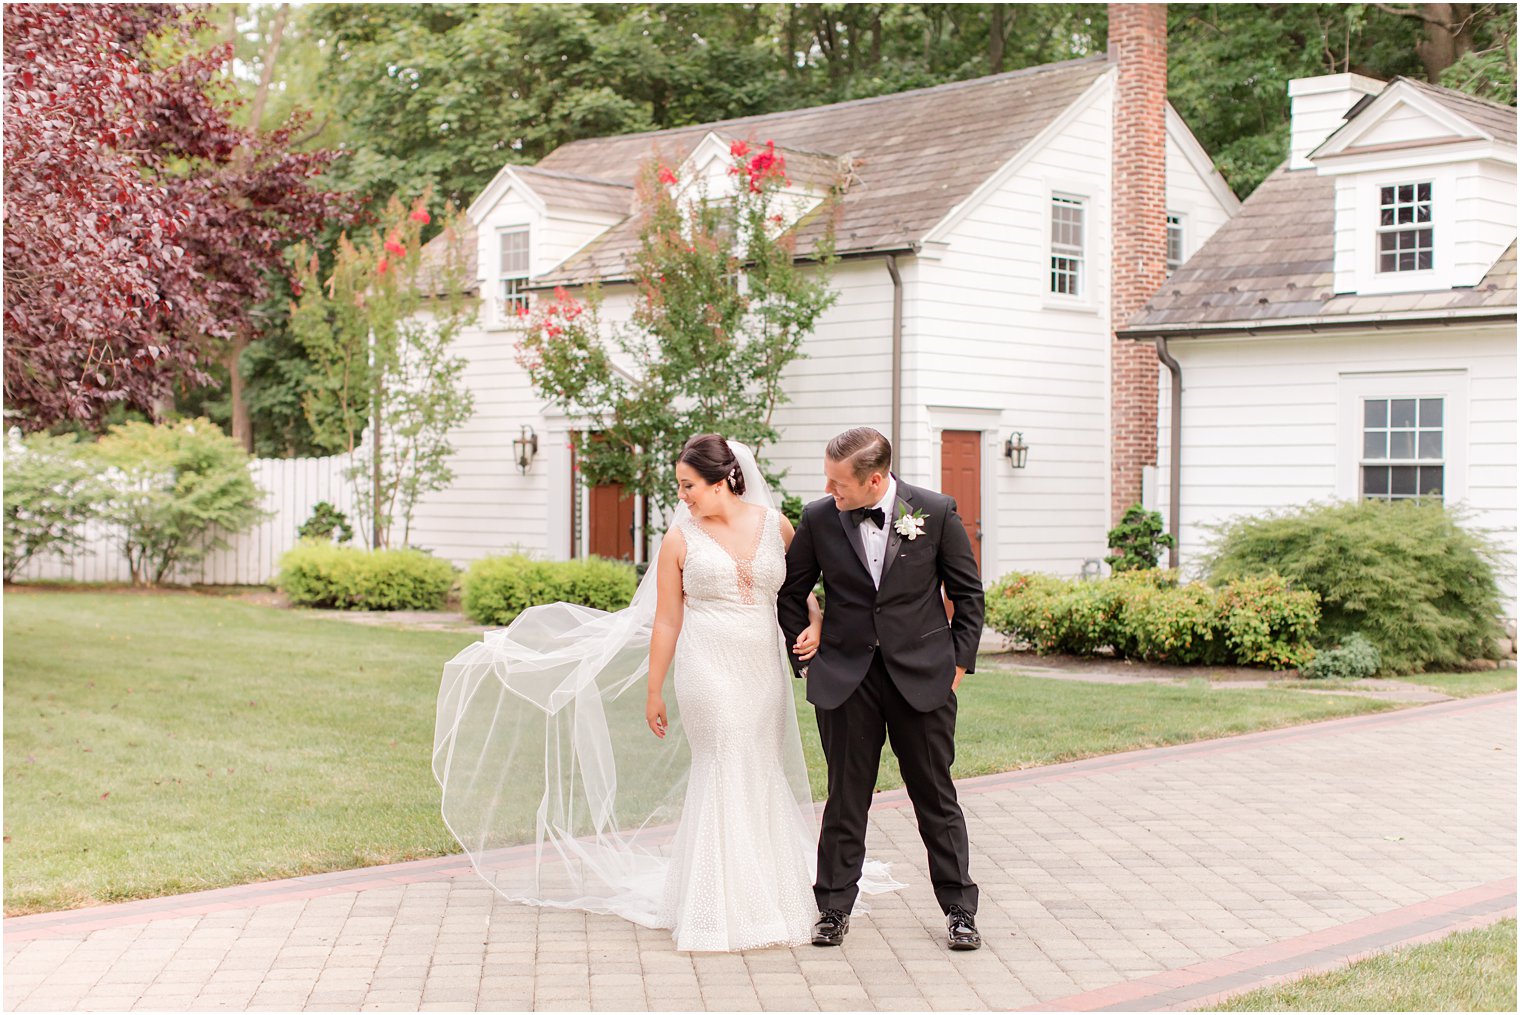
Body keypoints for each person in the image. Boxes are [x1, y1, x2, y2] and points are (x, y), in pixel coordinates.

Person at [434, 435, 895, 952]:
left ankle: (769, 887)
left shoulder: (777, 525)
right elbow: (667, 619)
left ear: (724, 481)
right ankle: (716, 905)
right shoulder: (680, 539)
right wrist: (654, 687)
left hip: (761, 664)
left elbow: (798, 589)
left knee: (757, 765)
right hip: (707, 664)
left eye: (689, 485)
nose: (684, 496)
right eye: (680, 487)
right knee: (722, 761)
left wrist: (814, 619)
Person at [777, 427, 986, 951]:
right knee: (846, 801)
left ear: (875, 479)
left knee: (935, 798)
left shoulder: (935, 512)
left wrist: (958, 662)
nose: (830, 491)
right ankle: (832, 909)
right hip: (847, 680)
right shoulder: (819, 518)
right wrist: (804, 650)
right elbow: (791, 591)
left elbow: (967, 593)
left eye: (838, 482)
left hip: (922, 679)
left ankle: (960, 909)